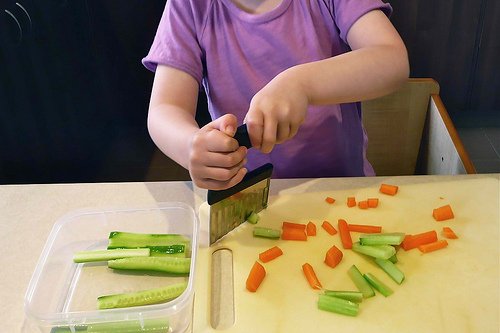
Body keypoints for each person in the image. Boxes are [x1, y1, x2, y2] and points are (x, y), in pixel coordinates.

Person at [142, 0, 409, 190]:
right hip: (248, 198)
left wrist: (301, 83)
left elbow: (392, 60)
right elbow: (165, 108)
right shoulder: (188, 6)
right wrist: (189, 145)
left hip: (341, 189)